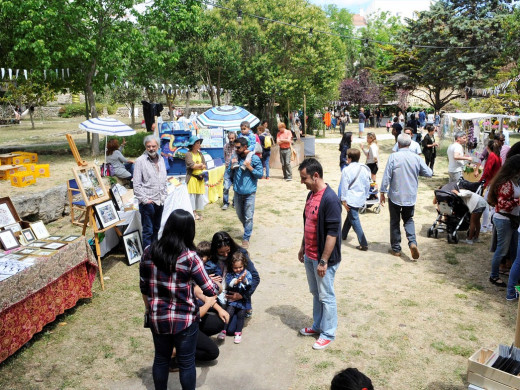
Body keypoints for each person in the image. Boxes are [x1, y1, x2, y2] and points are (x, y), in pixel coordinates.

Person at [139, 209, 220, 390]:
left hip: (158, 317)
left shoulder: (148, 252)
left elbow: (144, 286)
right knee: (186, 362)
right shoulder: (191, 257)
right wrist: (217, 285)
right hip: (184, 320)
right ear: (189, 232)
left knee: (161, 359)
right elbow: (209, 289)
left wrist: (148, 310)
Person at [298, 158, 342, 350]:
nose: (302, 182)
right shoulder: (311, 195)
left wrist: (323, 261)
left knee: (326, 295)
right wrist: (302, 247)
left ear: (316, 176)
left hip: (323, 260)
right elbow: (308, 223)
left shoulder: (330, 199)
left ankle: (328, 332)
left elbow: (333, 233)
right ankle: (318, 326)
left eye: (304, 178)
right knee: (316, 293)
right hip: (310, 255)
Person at [380, 133, 432, 259]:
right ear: (410, 144)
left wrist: (382, 191)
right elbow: (429, 173)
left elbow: (387, 176)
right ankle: (412, 243)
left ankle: (396, 249)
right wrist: (417, 170)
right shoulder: (416, 158)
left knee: (394, 221)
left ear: (398, 144)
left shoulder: (393, 157)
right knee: (408, 219)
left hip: (395, 195)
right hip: (410, 195)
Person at [210, 231, 260, 323]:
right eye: (221, 252)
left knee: (231, 329)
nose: (225, 255)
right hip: (219, 294)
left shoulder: (240, 254)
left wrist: (242, 295)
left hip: (237, 295)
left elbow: (255, 277)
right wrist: (206, 278)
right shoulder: (210, 255)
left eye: (227, 251)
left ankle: (245, 309)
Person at [487, 155, 520, 288]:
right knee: (502, 250)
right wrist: (518, 201)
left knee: (514, 250)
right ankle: (494, 276)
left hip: (511, 220)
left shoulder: (514, 180)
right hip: (504, 220)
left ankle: (514, 276)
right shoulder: (506, 183)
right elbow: (502, 204)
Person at [228, 137, 263, 248]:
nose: (236, 149)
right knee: (239, 214)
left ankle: (246, 237)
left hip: (249, 193)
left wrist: (249, 167)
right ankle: (248, 227)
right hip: (237, 192)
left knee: (248, 217)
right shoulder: (234, 158)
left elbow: (260, 174)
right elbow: (228, 172)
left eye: (238, 147)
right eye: (235, 147)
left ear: (245, 147)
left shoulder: (254, 159)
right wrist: (232, 166)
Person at [134, 135, 167, 249]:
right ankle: (147, 258)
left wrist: (164, 195)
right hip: (148, 201)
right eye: (148, 146)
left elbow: (163, 179)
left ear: (158, 146)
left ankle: (155, 252)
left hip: (160, 200)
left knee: (156, 228)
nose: (151, 148)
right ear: (145, 147)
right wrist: (145, 201)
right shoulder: (140, 161)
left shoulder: (161, 159)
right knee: (148, 230)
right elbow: (136, 185)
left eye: (153, 146)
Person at [217, 252, 252, 344]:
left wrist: (244, 280)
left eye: (240, 267)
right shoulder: (230, 274)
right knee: (229, 312)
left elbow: (249, 286)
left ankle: (238, 333)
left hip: (243, 300)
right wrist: (236, 281)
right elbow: (229, 283)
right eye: (235, 268)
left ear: (244, 265)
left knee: (241, 315)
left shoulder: (247, 273)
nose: (238, 269)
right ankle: (223, 330)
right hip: (232, 300)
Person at [340, 149, 371, 250]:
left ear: (350, 158)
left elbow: (344, 186)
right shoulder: (364, 169)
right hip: (360, 197)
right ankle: (343, 235)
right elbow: (367, 184)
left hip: (351, 198)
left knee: (354, 219)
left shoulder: (346, 170)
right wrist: (366, 196)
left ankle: (363, 243)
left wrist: (343, 200)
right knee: (350, 216)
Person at [185, 135, 206, 221]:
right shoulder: (188, 154)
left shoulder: (200, 154)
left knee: (198, 195)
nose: (199, 144)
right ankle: (193, 212)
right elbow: (191, 165)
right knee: (192, 196)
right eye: (197, 143)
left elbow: (205, 164)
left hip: (200, 178)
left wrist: (200, 166)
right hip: (192, 178)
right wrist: (200, 165)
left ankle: (196, 211)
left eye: (199, 143)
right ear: (193, 144)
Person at [222, 131, 237, 210]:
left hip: (236, 169)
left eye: (232, 138)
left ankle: (235, 202)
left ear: (235, 138)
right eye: (230, 138)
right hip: (228, 169)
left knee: (236, 187)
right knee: (226, 187)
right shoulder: (225, 146)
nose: (231, 140)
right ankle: (225, 203)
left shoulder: (238, 146)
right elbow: (225, 157)